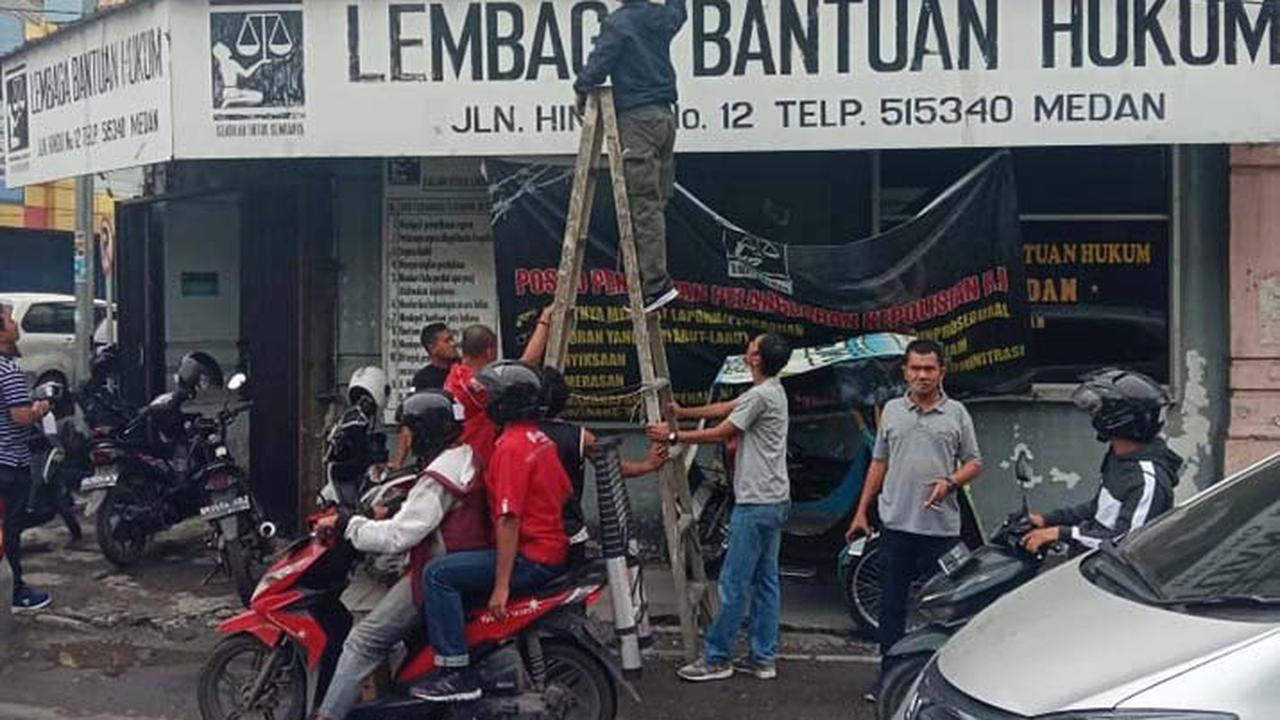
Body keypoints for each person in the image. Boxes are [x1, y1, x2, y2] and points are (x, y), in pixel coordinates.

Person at [310, 389, 488, 720]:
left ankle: (328, 716)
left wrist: (351, 525)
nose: (402, 437)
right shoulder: (459, 457)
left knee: (362, 641)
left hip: (434, 567)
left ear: (424, 431)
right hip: (454, 557)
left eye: (407, 429)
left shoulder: (438, 477)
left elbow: (398, 536)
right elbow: (417, 508)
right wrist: (385, 508)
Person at [410, 361, 573, 702]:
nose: (485, 402)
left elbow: (508, 520)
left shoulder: (511, 448)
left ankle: (455, 672)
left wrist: (501, 586)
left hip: (532, 557)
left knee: (437, 574)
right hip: (551, 547)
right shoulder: (538, 438)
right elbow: (563, 491)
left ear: (505, 402)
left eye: (491, 396)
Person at [646, 333, 792, 682]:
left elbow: (721, 431)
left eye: (751, 347)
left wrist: (672, 435)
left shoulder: (761, 395)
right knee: (766, 582)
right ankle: (762, 658)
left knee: (733, 583)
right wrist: (684, 413)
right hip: (775, 499)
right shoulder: (771, 390)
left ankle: (717, 658)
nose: (747, 351)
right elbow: (727, 409)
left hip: (756, 503)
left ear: (755, 359)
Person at [846, 339, 982, 704]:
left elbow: (974, 463)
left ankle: (948, 682)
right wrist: (862, 511)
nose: (922, 376)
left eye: (929, 369)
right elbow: (879, 462)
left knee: (949, 609)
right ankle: (889, 676)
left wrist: (950, 482)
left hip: (942, 531)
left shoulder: (957, 414)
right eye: (915, 369)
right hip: (896, 529)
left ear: (942, 372)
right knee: (891, 608)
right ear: (905, 371)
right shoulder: (891, 410)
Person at [574, 0, 688, 314]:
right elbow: (679, 13)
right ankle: (645, 279)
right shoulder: (660, 17)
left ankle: (653, 286)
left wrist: (581, 88)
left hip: (637, 120)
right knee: (656, 203)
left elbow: (601, 62)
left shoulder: (620, 23)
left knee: (643, 207)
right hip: (665, 118)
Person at [1021, 368, 1181, 555]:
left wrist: (1061, 533)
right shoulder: (1120, 458)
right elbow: (1099, 509)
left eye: (1098, 411)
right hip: (1090, 565)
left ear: (1117, 420)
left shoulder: (1146, 480)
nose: (1094, 416)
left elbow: (1126, 543)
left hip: (1112, 578)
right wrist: (1047, 519)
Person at [537, 366, 667, 565]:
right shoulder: (577, 435)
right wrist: (649, 464)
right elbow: (614, 469)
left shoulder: (512, 434)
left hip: (533, 533)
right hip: (567, 532)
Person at [443, 311, 552, 467]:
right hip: (472, 462)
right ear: (489, 351)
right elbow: (526, 366)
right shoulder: (471, 385)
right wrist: (544, 321)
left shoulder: (456, 373)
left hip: (467, 457)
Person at [0, 301, 53, 612]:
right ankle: (16, 593)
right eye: (9, 320)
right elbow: (20, 417)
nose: (15, 323)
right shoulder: (7, 369)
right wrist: (40, 409)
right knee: (10, 531)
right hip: (10, 463)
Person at [393, 323, 459, 467]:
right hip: (431, 456)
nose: (454, 344)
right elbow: (408, 424)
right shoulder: (422, 379)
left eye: (453, 339)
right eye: (447, 341)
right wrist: (398, 464)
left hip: (460, 452)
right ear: (432, 348)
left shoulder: (463, 371)